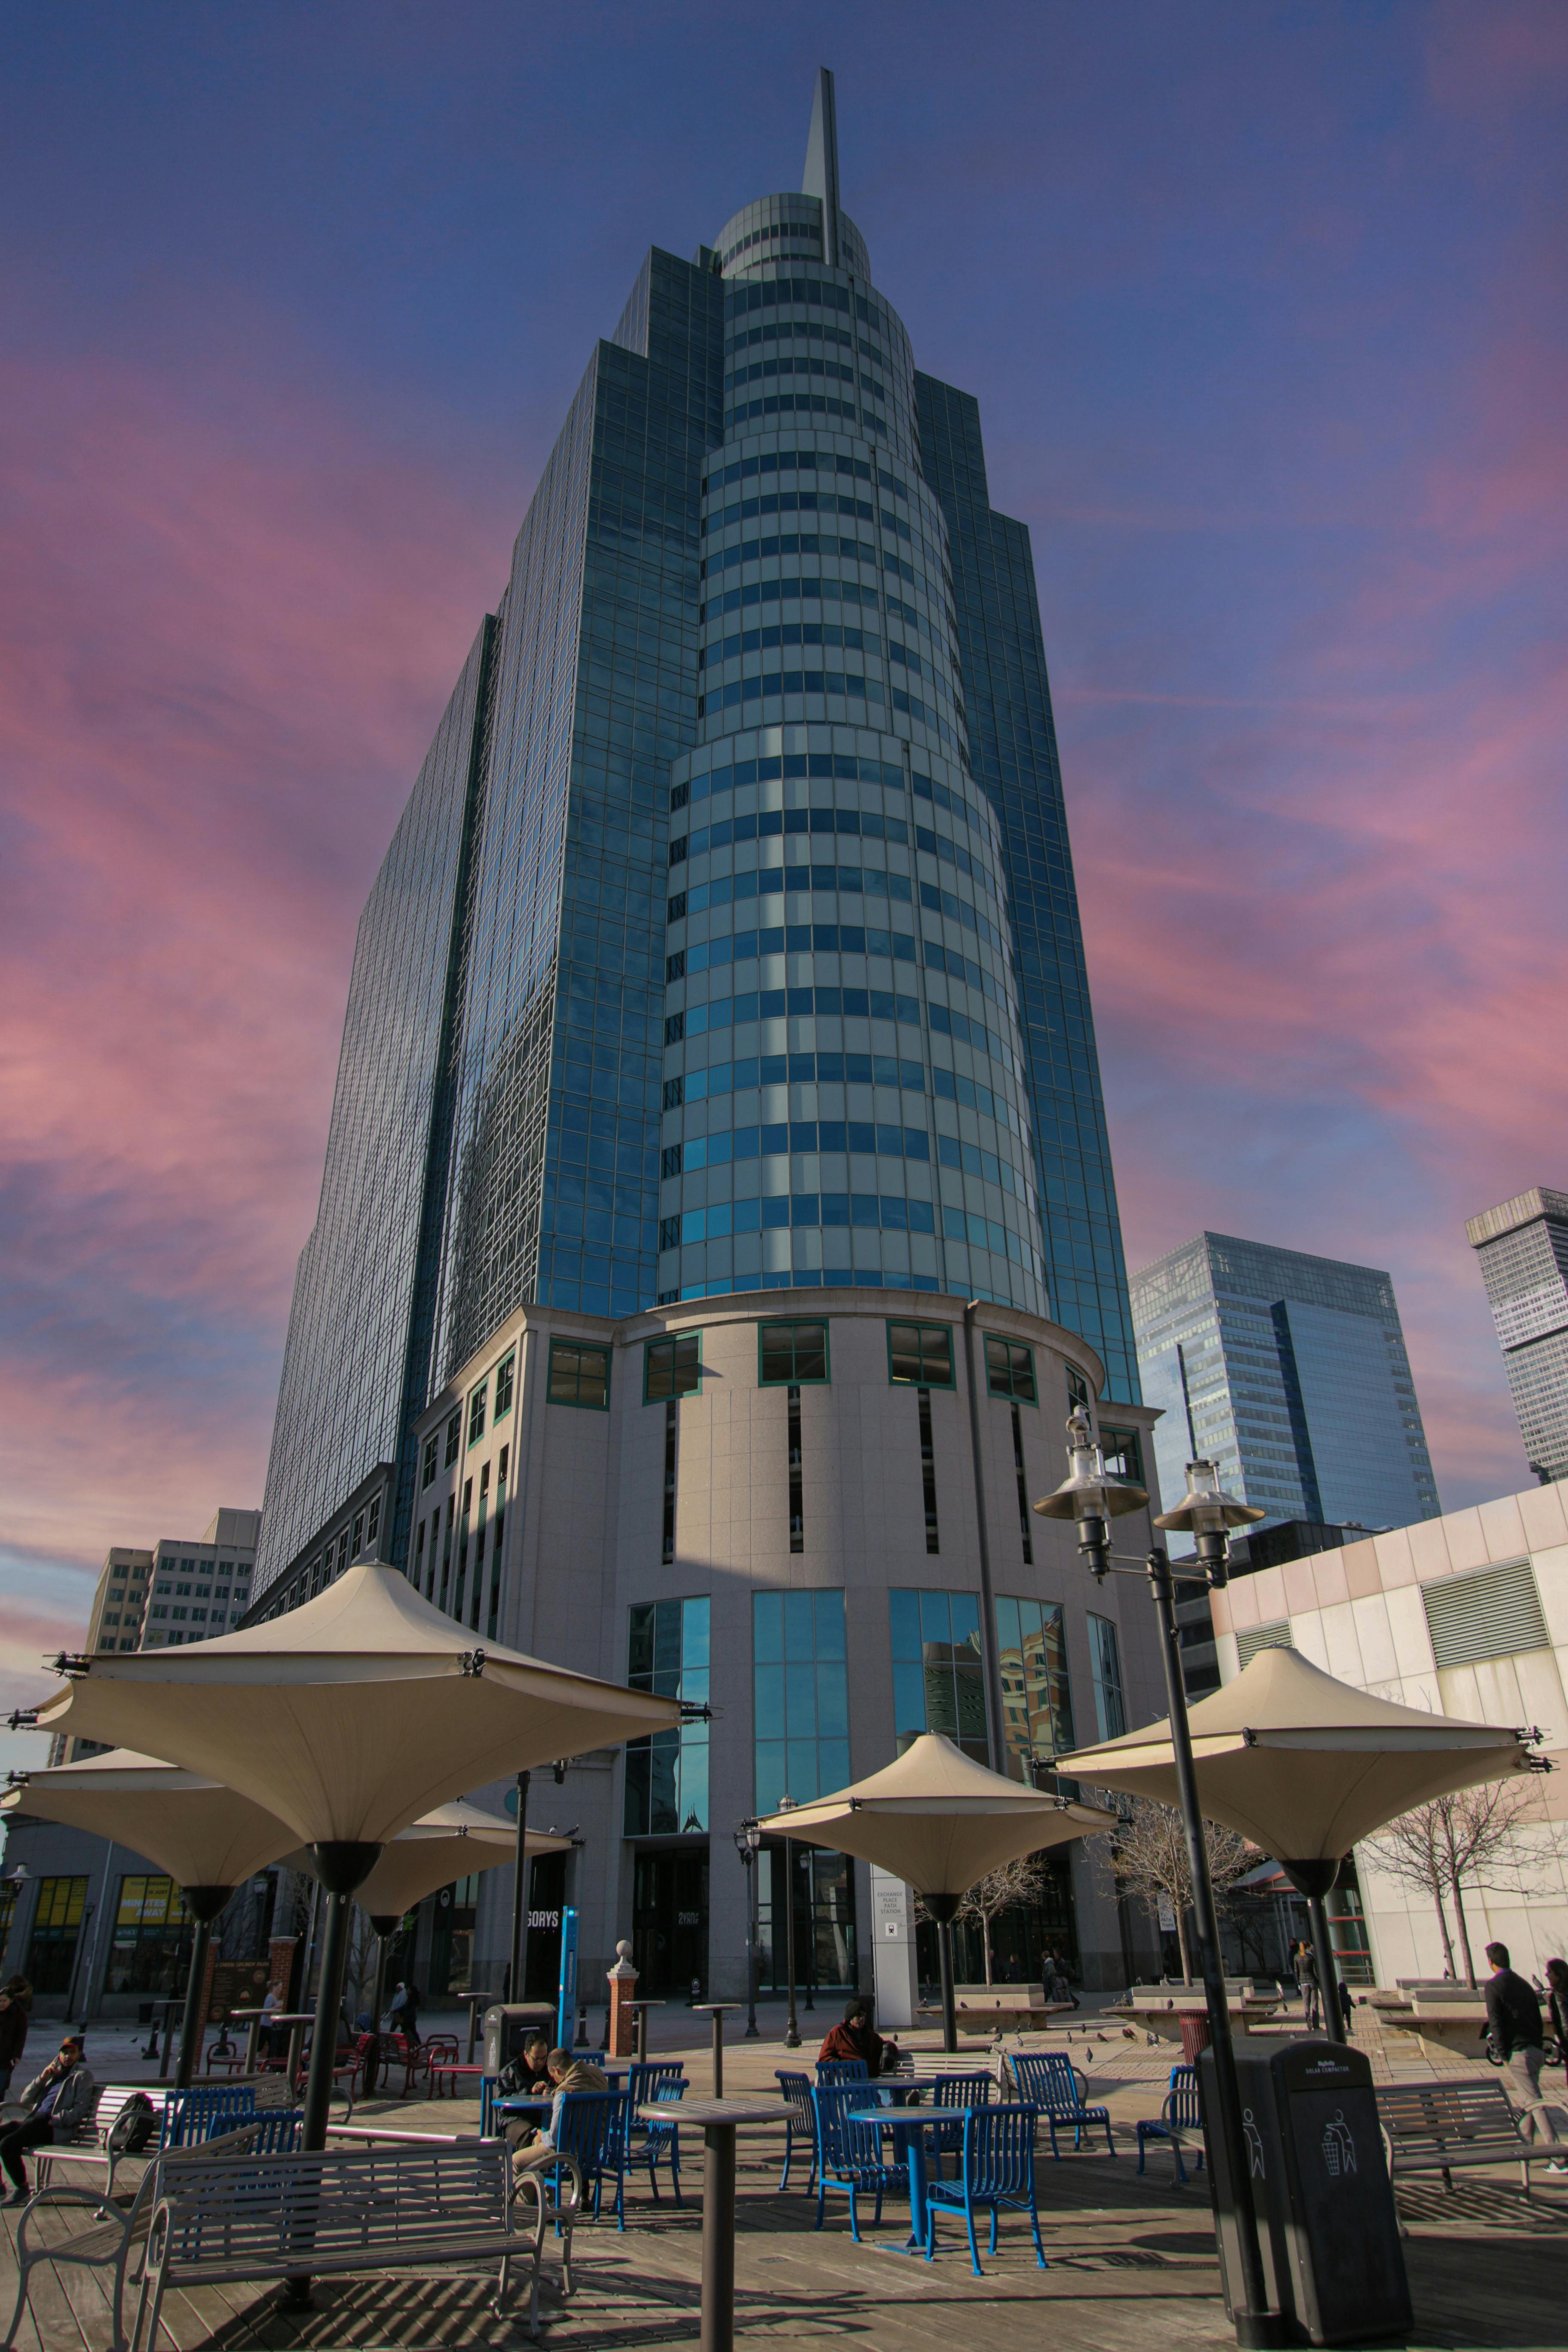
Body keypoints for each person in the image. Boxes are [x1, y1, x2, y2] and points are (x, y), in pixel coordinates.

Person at [0, 2037, 95, 2203]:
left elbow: (79, 2110)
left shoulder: (83, 2076)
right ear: (59, 2054)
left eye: (72, 2052)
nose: (68, 2057)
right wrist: (42, 2078)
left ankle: (22, 2189)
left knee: (7, 2144)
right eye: (64, 2052)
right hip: (35, 2123)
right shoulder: (53, 2074)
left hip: (54, 2127)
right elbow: (26, 2100)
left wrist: (54, 2120)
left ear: (79, 2054)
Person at [1484, 1940, 1559, 2151]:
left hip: (1518, 2053)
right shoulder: (1524, 1984)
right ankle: (1524, 2148)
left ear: (1491, 1962)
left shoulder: (1493, 1986)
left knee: (1535, 2103)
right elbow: (1537, 2017)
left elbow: (1495, 2021)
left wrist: (1502, 2053)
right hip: (1535, 2050)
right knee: (1528, 2101)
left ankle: (1558, 2155)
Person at [508, 2048, 610, 2177]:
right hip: (597, 2148)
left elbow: (554, 2139)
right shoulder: (598, 2075)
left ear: (556, 2070)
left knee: (516, 2161)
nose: (557, 2082)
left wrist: (541, 2136)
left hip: (570, 2152)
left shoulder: (563, 2093)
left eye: (554, 2077)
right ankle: (547, 2191)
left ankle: (537, 2195)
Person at [816, 1997, 896, 2075]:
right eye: (859, 2015)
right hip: (845, 2081)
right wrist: (844, 2066)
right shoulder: (837, 2033)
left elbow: (886, 2045)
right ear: (850, 2019)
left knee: (886, 2088)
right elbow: (823, 2060)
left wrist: (888, 2049)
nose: (862, 2018)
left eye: (864, 2015)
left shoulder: (869, 2035)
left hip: (870, 2081)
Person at [0, 1979, 33, 2101]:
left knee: (1, 2087)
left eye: (4, 2001)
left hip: (5, 2058)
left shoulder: (18, 2016)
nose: (2, 2004)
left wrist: (16, 2056)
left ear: (11, 2000)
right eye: (0, 2001)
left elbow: (21, 2038)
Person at [496, 2031, 553, 2098]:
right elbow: (502, 2103)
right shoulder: (509, 2073)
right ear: (526, 2054)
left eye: (544, 2058)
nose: (540, 2063)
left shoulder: (551, 2068)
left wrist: (553, 2092)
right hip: (521, 2108)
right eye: (536, 2059)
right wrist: (529, 2092)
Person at [1295, 1940, 1320, 2032]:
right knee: (1315, 2003)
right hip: (1312, 1982)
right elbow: (1315, 1971)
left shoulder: (1297, 1957)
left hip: (1303, 1983)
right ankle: (1316, 2025)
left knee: (1306, 2003)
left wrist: (1298, 1983)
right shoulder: (1311, 1957)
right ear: (1307, 1947)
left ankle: (1308, 2018)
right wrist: (1318, 1982)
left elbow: (1296, 1972)